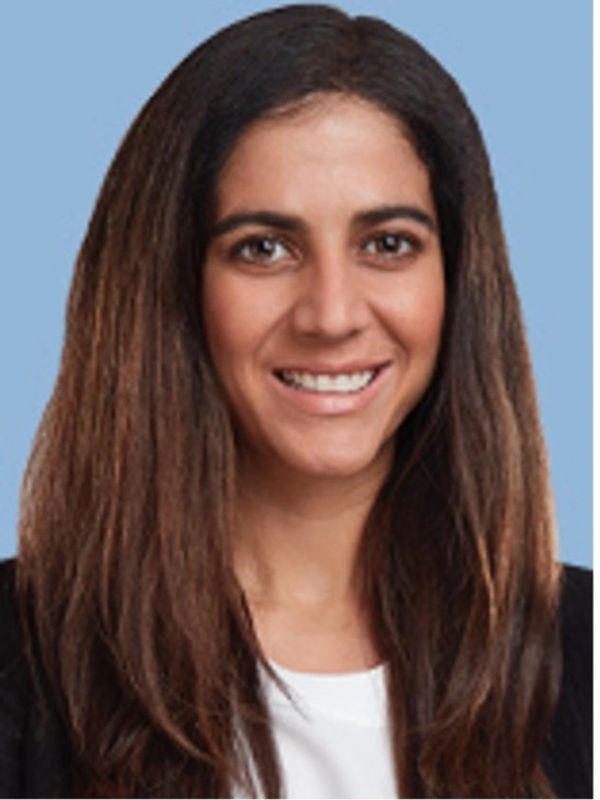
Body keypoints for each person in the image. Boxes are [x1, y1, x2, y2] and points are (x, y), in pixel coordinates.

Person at [0, 4, 591, 798]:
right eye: (264, 248)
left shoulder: (582, 652)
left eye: (388, 244)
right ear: (170, 286)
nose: (332, 315)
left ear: (457, 281)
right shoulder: (20, 665)